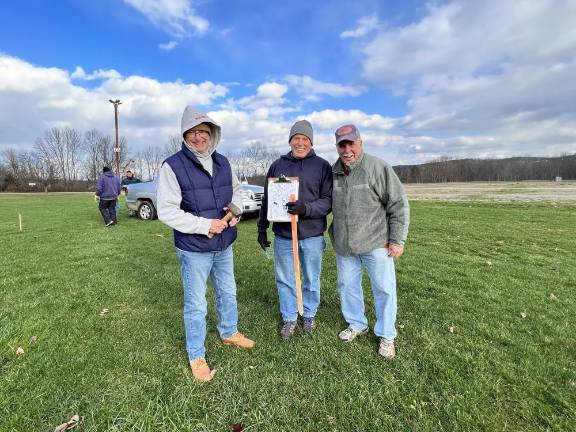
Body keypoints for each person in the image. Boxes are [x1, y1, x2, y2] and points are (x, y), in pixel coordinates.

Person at [157, 106, 254, 382]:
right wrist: (204, 225)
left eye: (204, 131)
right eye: (193, 132)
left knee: (228, 292)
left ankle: (229, 332)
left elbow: (236, 191)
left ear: (212, 134)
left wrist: (235, 212)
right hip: (194, 249)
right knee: (196, 304)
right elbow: (167, 211)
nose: (199, 137)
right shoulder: (172, 166)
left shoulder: (223, 162)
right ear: (184, 135)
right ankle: (196, 355)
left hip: (224, 244)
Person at [329, 124, 409, 359]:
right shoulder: (334, 171)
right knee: (347, 287)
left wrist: (397, 240)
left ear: (360, 143)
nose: (346, 150)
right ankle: (357, 324)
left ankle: (387, 334)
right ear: (337, 147)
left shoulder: (378, 167)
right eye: (341, 145)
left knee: (384, 289)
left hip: (376, 242)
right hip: (345, 245)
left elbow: (398, 204)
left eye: (350, 144)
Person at [257, 120, 332, 339]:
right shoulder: (277, 165)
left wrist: (305, 209)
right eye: (296, 138)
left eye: (305, 139)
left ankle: (308, 313)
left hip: (311, 235)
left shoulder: (322, 166)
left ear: (311, 142)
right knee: (285, 278)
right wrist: (262, 228)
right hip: (283, 236)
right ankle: (289, 317)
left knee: (310, 277)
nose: (300, 142)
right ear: (290, 140)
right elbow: (267, 199)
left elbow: (328, 201)